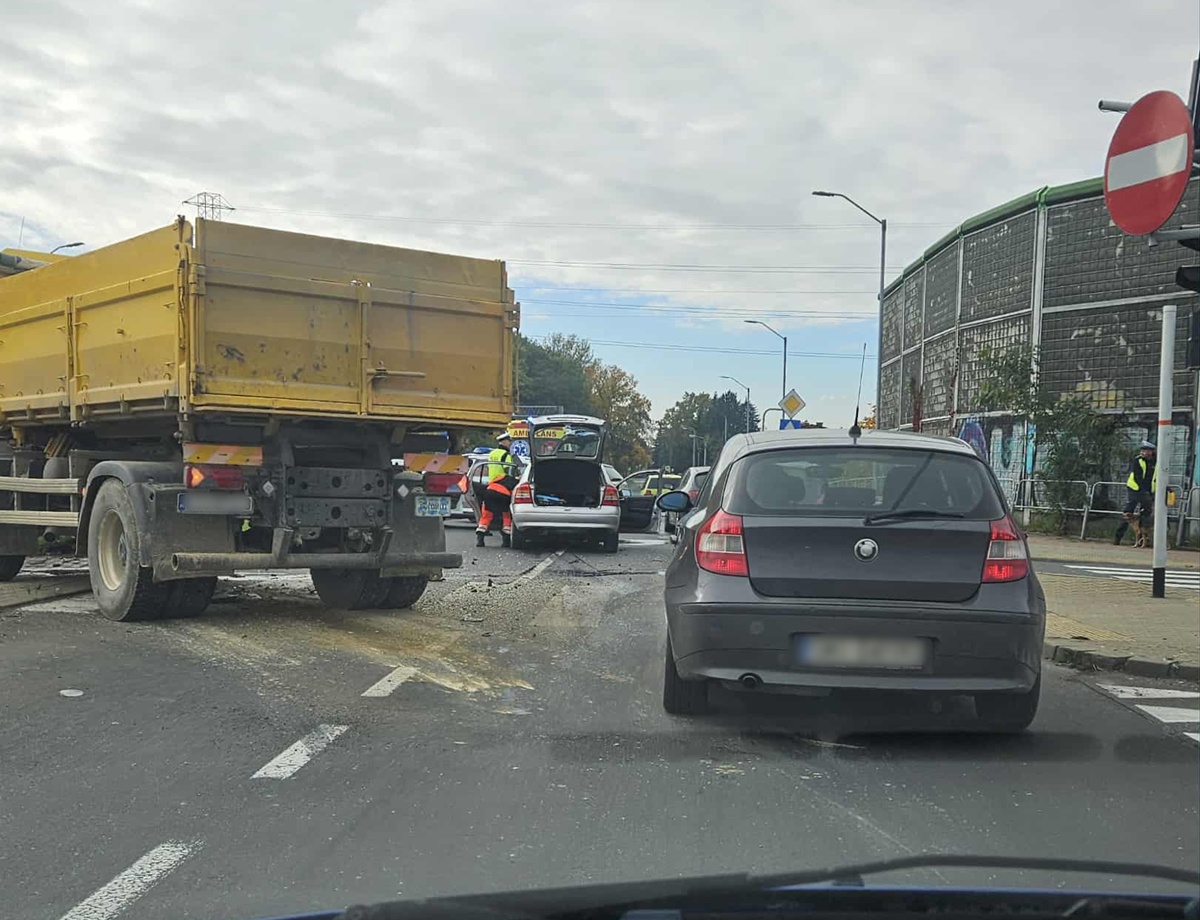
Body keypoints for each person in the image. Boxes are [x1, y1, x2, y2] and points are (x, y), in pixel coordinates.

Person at [476, 433, 519, 547]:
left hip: (490, 488)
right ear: (504, 442)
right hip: (504, 488)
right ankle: (505, 541)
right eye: (509, 441)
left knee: (486, 515)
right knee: (506, 515)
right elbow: (509, 471)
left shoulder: (492, 454)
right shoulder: (506, 455)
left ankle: (480, 538)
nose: (510, 444)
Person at [1113, 440, 1157, 547]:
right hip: (1135, 489)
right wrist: (1143, 491)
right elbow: (1137, 477)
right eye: (1143, 450)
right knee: (1128, 512)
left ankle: (1143, 538)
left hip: (1148, 490)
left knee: (1146, 513)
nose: (1143, 452)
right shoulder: (1138, 461)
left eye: (1146, 450)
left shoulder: (1156, 462)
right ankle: (1118, 537)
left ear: (1151, 452)